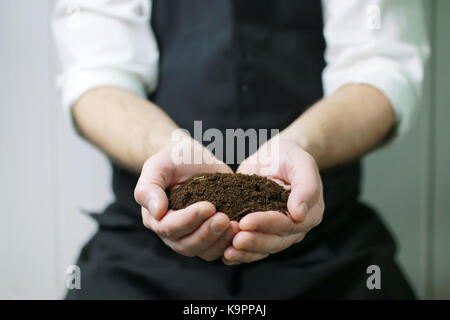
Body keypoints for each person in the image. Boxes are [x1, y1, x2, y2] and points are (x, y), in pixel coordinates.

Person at [53, 0, 429, 299]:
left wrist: (299, 147)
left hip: (327, 246)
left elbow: (381, 66)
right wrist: (170, 150)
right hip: (144, 246)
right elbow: (96, 77)